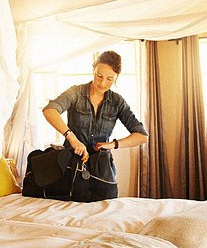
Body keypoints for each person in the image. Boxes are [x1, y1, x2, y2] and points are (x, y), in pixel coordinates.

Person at [42, 50, 148, 198]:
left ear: (116, 78)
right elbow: (49, 110)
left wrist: (111, 145)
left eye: (110, 79)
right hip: (72, 166)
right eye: (99, 76)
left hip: (102, 170)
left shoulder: (117, 102)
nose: (103, 83)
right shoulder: (75, 92)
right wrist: (72, 138)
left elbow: (142, 136)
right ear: (93, 70)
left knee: (106, 210)